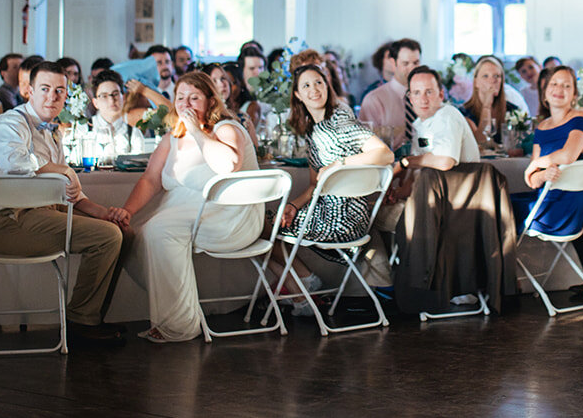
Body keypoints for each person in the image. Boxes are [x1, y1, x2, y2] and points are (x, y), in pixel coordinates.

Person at [0, 61, 130, 344]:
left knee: (121, 232)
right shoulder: (10, 122)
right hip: (7, 222)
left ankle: (95, 314)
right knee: (107, 237)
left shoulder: (52, 131)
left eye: (60, 91)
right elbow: (16, 164)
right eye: (45, 89)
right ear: (29, 91)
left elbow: (68, 191)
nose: (52, 97)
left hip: (42, 215)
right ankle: (81, 321)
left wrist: (102, 212)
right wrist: (63, 169)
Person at [117, 71, 259, 343]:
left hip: (230, 216)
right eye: (180, 97)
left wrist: (195, 130)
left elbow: (227, 165)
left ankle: (180, 325)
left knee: (159, 230)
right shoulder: (173, 136)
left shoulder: (226, 128)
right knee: (132, 235)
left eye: (194, 98)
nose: (185, 104)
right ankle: (180, 308)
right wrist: (128, 211)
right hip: (189, 215)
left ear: (210, 101)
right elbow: (150, 179)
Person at [278, 64, 396, 299]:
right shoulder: (314, 131)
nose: (314, 89)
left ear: (328, 86)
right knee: (272, 221)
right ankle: (302, 288)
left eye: (319, 82)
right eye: (306, 85)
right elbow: (314, 186)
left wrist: (339, 163)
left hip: (344, 220)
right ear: (298, 96)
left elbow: (386, 154)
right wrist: (293, 206)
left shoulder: (340, 120)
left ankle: (304, 288)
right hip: (338, 217)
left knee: (264, 226)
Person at [517, 65, 583, 236]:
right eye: (554, 84)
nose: (559, 89)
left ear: (574, 95)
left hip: (564, 211)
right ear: (545, 91)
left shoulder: (581, 119)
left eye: (566, 86)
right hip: (543, 202)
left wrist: (537, 164)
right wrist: (543, 175)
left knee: (499, 208)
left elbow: (568, 156)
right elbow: (533, 180)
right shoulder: (542, 127)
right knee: (496, 200)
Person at [360, 38, 422, 148]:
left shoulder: (426, 96)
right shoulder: (374, 99)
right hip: (390, 163)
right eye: (406, 63)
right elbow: (365, 143)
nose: (412, 69)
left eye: (416, 63)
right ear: (393, 63)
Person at [461, 56, 524, 154]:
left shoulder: (513, 111)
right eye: (485, 76)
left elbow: (519, 144)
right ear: (476, 82)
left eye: (497, 76)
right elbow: (481, 141)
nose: (492, 80)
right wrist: (487, 106)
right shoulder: (464, 112)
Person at [90, 70, 145, 155]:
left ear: (123, 98)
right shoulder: (85, 129)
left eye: (115, 94)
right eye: (104, 96)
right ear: (95, 102)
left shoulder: (133, 131)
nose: (111, 100)